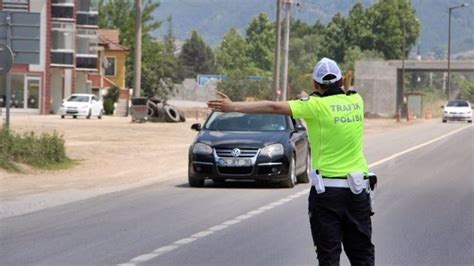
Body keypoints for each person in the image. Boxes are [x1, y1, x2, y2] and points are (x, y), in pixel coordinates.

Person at [207, 57, 374, 265]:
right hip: (358, 193)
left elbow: (273, 107)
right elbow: (333, 96)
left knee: (329, 257)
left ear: (315, 84)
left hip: (328, 195)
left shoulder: (314, 107)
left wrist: (232, 106)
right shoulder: (356, 101)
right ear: (342, 81)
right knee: (362, 255)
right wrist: (309, 98)